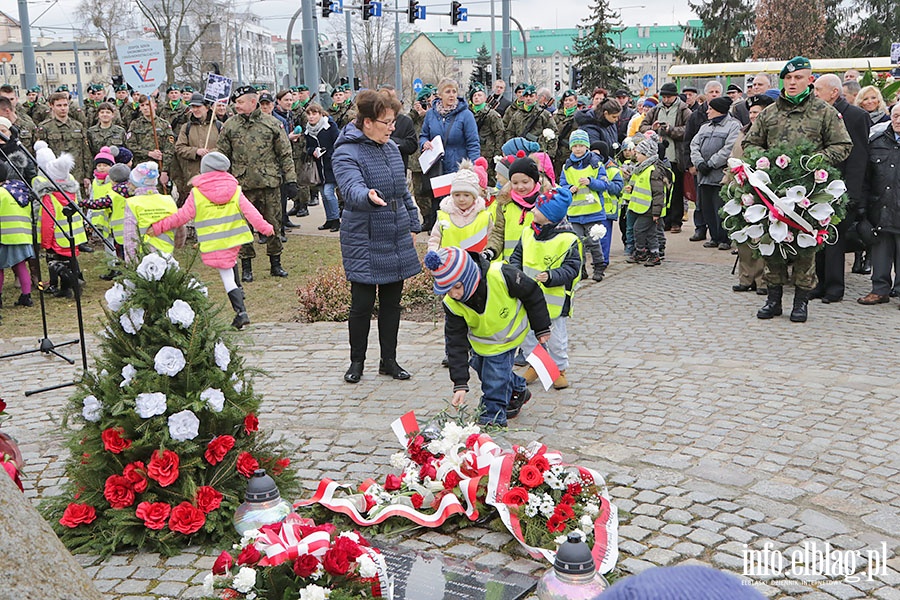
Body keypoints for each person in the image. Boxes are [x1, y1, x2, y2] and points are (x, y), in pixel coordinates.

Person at [743, 56, 852, 323]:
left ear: (809, 80)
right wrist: (764, 161)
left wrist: (815, 162)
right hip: (774, 190)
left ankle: (801, 301)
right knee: (774, 242)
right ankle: (774, 299)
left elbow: (843, 145)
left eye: (798, 78)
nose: (792, 83)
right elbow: (750, 143)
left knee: (805, 246)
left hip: (809, 191)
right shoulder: (769, 113)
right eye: (788, 78)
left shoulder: (824, 112)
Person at [332, 89, 421, 384]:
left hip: (394, 233)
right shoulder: (346, 151)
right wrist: (367, 195)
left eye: (393, 121)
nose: (392, 127)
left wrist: (413, 220)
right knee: (362, 304)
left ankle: (389, 360)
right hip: (365, 236)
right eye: (386, 122)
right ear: (367, 122)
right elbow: (351, 187)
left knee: (392, 303)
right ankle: (356, 361)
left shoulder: (392, 149)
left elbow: (402, 189)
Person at [424, 246, 550, 426]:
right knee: (482, 367)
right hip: (480, 342)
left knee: (494, 376)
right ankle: (518, 387)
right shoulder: (452, 303)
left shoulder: (502, 275)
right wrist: (460, 383)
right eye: (447, 290)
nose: (454, 294)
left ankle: (493, 416)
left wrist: (541, 328)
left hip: (508, 336)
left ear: (468, 276)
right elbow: (455, 343)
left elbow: (532, 293)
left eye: (457, 287)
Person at [151, 152, 273, 329]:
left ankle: (241, 312)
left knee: (227, 276)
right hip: (233, 238)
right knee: (230, 266)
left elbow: (182, 216)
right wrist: (265, 228)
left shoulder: (197, 193)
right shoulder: (235, 190)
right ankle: (240, 300)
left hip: (214, 242)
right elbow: (251, 212)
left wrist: (158, 227)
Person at [216, 85, 297, 282]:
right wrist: (219, 181)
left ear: (253, 102)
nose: (237, 106)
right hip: (241, 186)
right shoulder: (230, 125)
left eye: (241, 102)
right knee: (242, 227)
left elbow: (285, 154)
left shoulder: (272, 124)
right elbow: (221, 156)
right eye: (235, 103)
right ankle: (246, 267)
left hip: (269, 183)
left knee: (273, 225)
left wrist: (291, 180)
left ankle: (275, 263)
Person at [509, 187, 581, 390]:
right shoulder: (528, 233)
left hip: (554, 300)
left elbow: (572, 269)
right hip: (528, 297)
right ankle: (538, 365)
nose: (533, 210)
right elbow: (516, 257)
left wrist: (551, 276)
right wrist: (515, 273)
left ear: (549, 217)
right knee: (528, 337)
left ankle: (559, 369)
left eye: (538, 209)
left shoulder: (568, 240)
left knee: (556, 339)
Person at [811, 74, 871, 302]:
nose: (814, 94)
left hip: (843, 189)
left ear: (833, 92)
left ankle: (835, 288)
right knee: (818, 238)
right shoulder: (817, 114)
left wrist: (852, 193)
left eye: (818, 90)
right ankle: (820, 283)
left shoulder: (856, 116)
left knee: (834, 239)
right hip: (819, 187)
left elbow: (859, 157)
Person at [726, 94, 772, 295]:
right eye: (751, 112)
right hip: (740, 189)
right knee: (743, 235)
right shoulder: (742, 132)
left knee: (762, 236)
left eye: (757, 112)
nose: (753, 115)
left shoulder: (771, 132)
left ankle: (764, 280)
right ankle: (746, 278)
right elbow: (732, 159)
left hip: (763, 190)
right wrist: (727, 182)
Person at [420, 78, 481, 228]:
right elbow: (423, 135)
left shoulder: (465, 115)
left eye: (454, 91)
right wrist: (424, 143)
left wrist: (473, 168)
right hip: (437, 166)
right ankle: (438, 233)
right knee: (438, 202)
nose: (452, 95)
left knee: (457, 202)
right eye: (448, 91)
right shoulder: (431, 115)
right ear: (440, 95)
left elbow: (473, 143)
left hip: (458, 166)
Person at [857, 103, 900, 306]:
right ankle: (879, 289)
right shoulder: (877, 141)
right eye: (896, 115)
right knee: (880, 250)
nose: (898, 120)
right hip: (880, 205)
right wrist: (863, 207)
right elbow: (866, 178)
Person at [33, 141, 85, 298]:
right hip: (74, 232)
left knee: (55, 263)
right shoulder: (71, 186)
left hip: (57, 235)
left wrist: (45, 241)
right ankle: (67, 287)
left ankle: (69, 283)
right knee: (70, 259)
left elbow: (47, 219)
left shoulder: (47, 192)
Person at [559, 129, 611, 281]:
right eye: (575, 146)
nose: (578, 149)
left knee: (593, 242)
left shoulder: (596, 164)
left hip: (592, 210)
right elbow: (562, 184)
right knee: (577, 243)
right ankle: (580, 269)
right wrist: (569, 189)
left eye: (581, 145)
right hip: (574, 212)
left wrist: (591, 182)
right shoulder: (566, 167)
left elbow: (604, 184)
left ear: (587, 146)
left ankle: (599, 267)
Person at [690, 95, 741, 251]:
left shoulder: (733, 126)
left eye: (711, 109)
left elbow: (729, 148)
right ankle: (714, 236)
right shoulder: (705, 126)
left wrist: (711, 163)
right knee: (707, 208)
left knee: (722, 207)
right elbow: (694, 145)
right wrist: (699, 162)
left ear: (719, 110)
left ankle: (724, 238)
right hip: (704, 176)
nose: (707, 111)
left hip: (720, 175)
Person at [641, 82, 691, 234]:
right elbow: (642, 126)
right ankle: (665, 221)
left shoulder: (684, 110)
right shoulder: (656, 109)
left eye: (669, 96)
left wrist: (671, 130)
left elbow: (689, 130)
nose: (666, 99)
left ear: (675, 96)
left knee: (676, 191)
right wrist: (653, 129)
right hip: (658, 156)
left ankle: (676, 221)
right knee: (661, 191)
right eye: (664, 96)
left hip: (676, 156)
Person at [485, 154, 551, 262]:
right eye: (515, 183)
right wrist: (491, 250)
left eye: (525, 182)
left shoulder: (545, 202)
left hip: (536, 263)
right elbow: (498, 233)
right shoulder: (504, 204)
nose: (520, 187)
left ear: (534, 180)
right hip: (510, 264)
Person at [683, 81, 724, 239]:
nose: (714, 94)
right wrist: (690, 164)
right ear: (706, 94)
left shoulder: (729, 115)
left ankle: (719, 232)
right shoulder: (696, 116)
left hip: (718, 167)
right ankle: (700, 228)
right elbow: (688, 141)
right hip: (698, 165)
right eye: (711, 92)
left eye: (717, 92)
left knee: (716, 201)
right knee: (700, 200)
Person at [624, 135, 671, 267]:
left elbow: (658, 193)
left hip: (649, 209)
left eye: (638, 153)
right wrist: (632, 188)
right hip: (642, 207)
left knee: (638, 229)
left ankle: (642, 251)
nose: (636, 155)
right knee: (650, 232)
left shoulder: (653, 171)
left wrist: (656, 212)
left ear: (646, 155)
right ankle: (653, 253)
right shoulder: (642, 168)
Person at [427, 159, 492, 253]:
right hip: (449, 264)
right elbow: (435, 239)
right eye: (457, 195)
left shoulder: (485, 217)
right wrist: (433, 253)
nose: (461, 199)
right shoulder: (443, 216)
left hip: (478, 265)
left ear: (474, 196)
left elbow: (492, 241)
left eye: (466, 195)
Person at [35, 91, 92, 193]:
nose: (63, 108)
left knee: (79, 206)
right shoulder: (45, 127)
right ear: (51, 106)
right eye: (59, 105)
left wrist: (87, 176)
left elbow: (85, 152)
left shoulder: (78, 126)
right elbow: (42, 156)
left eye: (65, 105)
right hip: (56, 178)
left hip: (78, 176)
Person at [121, 162, 179, 261]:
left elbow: (130, 236)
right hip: (167, 255)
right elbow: (179, 229)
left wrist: (130, 261)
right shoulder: (169, 200)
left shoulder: (132, 203)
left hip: (142, 258)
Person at [0, 163, 35, 315]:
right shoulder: (19, 191)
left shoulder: (0, 193)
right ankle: (26, 295)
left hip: (4, 236)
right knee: (20, 266)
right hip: (23, 235)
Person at [174, 93, 222, 198]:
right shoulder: (186, 127)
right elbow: (179, 148)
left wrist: (212, 153)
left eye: (198, 106)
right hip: (193, 176)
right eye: (193, 107)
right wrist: (196, 151)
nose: (195, 109)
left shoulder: (219, 126)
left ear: (207, 107)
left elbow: (225, 148)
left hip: (215, 175)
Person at [125, 95, 175, 190]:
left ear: (155, 105)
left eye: (148, 104)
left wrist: (165, 171)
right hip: (140, 170)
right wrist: (148, 153)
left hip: (158, 169)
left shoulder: (164, 124)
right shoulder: (135, 124)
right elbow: (130, 144)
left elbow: (169, 148)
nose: (145, 107)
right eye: (142, 105)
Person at [303, 103, 340, 232]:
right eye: (309, 114)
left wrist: (327, 152)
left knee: (329, 193)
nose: (311, 117)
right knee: (324, 195)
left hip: (331, 165)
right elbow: (307, 147)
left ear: (320, 114)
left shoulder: (329, 126)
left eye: (314, 114)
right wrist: (313, 151)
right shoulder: (308, 130)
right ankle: (329, 219)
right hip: (318, 167)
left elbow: (338, 142)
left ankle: (336, 220)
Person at [505, 85, 558, 155]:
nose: (528, 99)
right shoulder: (516, 115)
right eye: (526, 96)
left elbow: (553, 133)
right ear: (523, 98)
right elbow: (510, 133)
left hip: (539, 152)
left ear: (536, 97)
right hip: (521, 152)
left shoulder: (544, 114)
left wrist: (550, 154)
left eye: (531, 96)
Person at [469, 84, 504, 179]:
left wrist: (497, 154)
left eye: (479, 95)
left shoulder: (491, 114)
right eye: (474, 95)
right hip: (471, 152)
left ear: (485, 98)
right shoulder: (467, 114)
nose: (476, 97)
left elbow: (499, 134)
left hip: (488, 153)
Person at [553, 90, 579, 177]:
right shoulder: (556, 116)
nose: (568, 102)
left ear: (576, 102)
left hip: (571, 153)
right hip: (557, 153)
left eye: (570, 100)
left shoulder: (579, 116)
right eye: (566, 100)